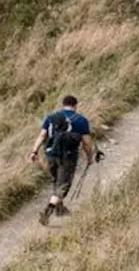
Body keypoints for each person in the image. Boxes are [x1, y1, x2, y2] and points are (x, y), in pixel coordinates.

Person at [28, 95, 95, 225]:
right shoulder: (81, 120)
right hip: (68, 157)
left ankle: (60, 209)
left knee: (56, 181)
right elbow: (86, 143)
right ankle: (49, 209)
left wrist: (34, 151)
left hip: (50, 154)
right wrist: (90, 157)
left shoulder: (52, 117)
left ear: (63, 104)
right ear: (76, 105)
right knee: (64, 185)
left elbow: (42, 135)